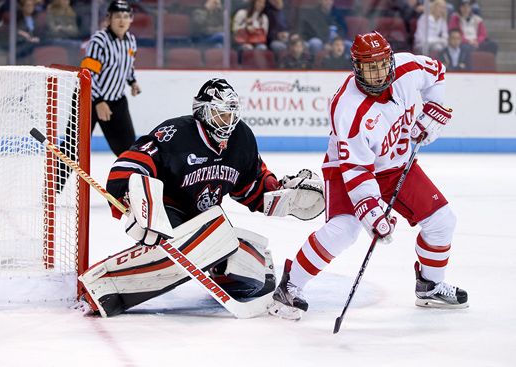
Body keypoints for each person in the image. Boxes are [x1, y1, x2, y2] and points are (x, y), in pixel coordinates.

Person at [75, 79, 325, 317]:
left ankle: (219, 268)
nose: (228, 120)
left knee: (257, 275)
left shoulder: (242, 139)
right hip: (169, 215)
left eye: (231, 113)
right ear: (203, 112)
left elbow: (252, 185)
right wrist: (136, 201)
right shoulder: (175, 133)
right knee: (183, 250)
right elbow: (132, 162)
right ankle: (105, 288)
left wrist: (280, 193)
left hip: (208, 222)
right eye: (221, 113)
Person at [268, 31, 468, 320]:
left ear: (390, 60)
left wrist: (433, 110)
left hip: (397, 165)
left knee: (442, 221)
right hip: (349, 169)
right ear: (356, 67)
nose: (377, 74)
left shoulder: (408, 68)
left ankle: (430, 285)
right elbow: (357, 169)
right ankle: (290, 285)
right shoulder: (348, 107)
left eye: (381, 64)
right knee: (345, 230)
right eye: (369, 67)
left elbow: (437, 73)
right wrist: (372, 213)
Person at [80, 0, 140, 156]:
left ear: (131, 19)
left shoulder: (131, 41)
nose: (122, 20)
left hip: (117, 101)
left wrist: (132, 81)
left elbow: (127, 65)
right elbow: (87, 73)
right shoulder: (99, 40)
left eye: (126, 16)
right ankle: (56, 181)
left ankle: (127, 181)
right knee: (74, 149)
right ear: (108, 19)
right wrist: (98, 101)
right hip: (90, 100)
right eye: (118, 16)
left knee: (129, 150)